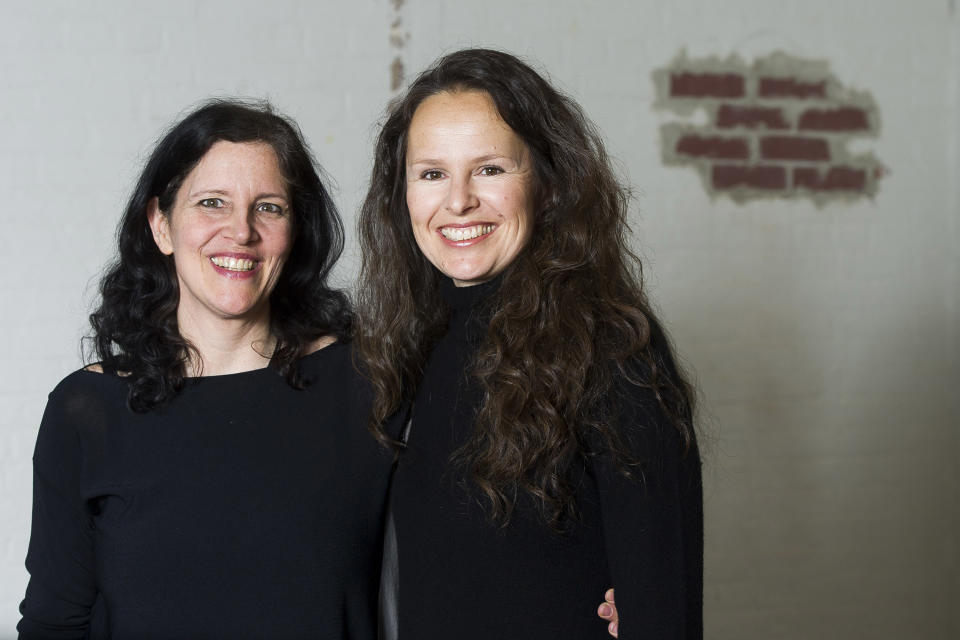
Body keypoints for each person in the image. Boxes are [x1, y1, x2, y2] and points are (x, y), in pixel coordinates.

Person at [355, 48, 703, 639]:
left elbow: (662, 608)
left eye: (490, 169)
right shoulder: (404, 345)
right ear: (402, 192)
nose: (458, 200)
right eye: (432, 173)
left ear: (547, 183)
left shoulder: (614, 348)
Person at [18, 100, 393, 639]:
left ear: (296, 233)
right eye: (211, 203)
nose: (240, 232)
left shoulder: (367, 385)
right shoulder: (86, 410)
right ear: (161, 226)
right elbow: (55, 623)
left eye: (268, 207)